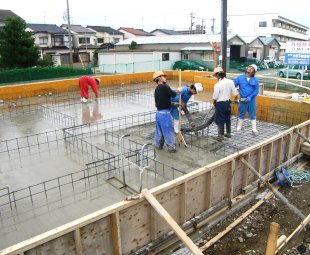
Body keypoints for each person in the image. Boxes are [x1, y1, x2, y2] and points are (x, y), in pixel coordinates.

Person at [153, 71, 180, 153]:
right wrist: (178, 90)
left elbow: (161, 102)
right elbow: (174, 94)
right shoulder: (164, 87)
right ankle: (171, 148)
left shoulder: (157, 89)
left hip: (158, 114)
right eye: (163, 76)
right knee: (168, 130)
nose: (165, 77)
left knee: (159, 131)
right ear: (159, 78)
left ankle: (158, 145)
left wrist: (172, 103)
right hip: (165, 114)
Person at [212, 67, 239, 140]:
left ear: (217, 75)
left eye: (215, 76)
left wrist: (214, 102)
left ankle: (220, 136)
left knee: (220, 119)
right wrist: (236, 100)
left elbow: (215, 96)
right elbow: (235, 93)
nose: (215, 77)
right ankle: (228, 133)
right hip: (227, 103)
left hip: (220, 104)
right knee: (227, 118)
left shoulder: (217, 85)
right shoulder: (230, 81)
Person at [234, 64, 259, 135]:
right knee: (241, 113)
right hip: (243, 100)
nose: (250, 69)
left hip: (252, 100)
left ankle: (254, 129)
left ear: (254, 72)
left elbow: (256, 90)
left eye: (252, 68)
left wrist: (250, 97)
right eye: (249, 67)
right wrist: (235, 93)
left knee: (252, 114)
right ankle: (239, 127)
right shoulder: (240, 78)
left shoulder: (255, 80)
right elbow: (233, 86)